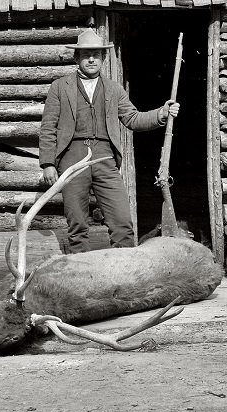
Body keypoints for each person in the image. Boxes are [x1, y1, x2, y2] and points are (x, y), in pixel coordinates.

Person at [38, 29, 179, 253]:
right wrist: (47, 163)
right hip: (72, 157)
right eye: (86, 55)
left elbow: (133, 118)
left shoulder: (114, 89)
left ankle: (121, 276)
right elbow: (48, 127)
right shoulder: (59, 87)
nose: (91, 59)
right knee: (77, 224)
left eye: (96, 54)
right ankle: (80, 279)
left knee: (122, 221)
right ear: (77, 58)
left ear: (103, 58)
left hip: (105, 157)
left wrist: (160, 114)